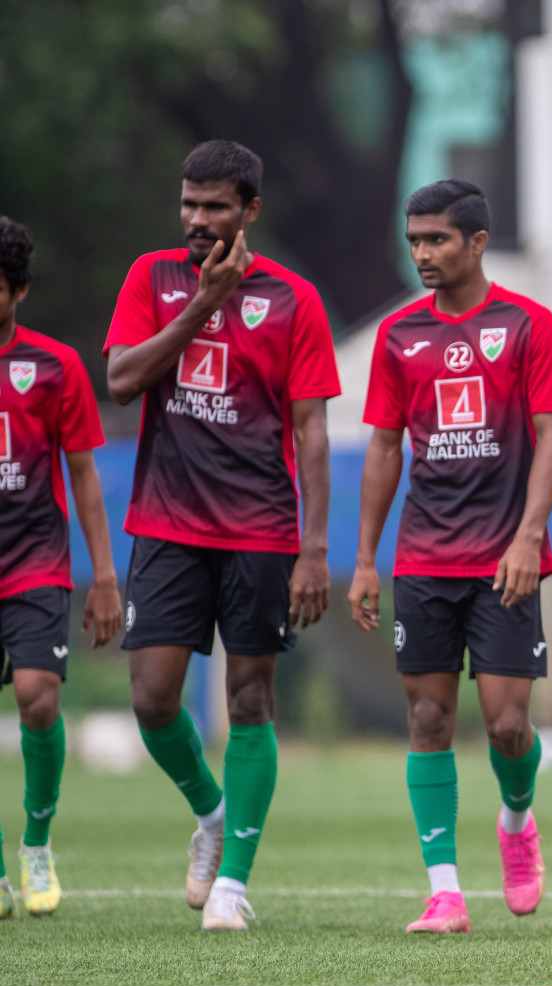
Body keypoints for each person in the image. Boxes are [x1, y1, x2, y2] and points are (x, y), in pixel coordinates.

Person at [103, 141, 339, 931]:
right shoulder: (153, 278)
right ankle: (209, 811)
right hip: (166, 522)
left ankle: (233, 882)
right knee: (151, 699)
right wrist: (203, 304)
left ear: (250, 211)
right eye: (189, 204)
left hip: (262, 531)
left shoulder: (296, 300)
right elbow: (124, 379)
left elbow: (310, 430)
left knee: (250, 698)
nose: (198, 220)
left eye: (215, 207)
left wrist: (315, 548)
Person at [348, 179, 552, 934]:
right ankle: (444, 891)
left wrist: (528, 537)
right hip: (423, 557)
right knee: (427, 716)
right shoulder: (398, 335)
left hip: (504, 560)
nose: (423, 254)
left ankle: (516, 820)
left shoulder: (528, 325)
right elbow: (382, 447)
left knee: (508, 726)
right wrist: (364, 560)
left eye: (437, 240)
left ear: (476, 243)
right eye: (414, 241)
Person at [0, 216, 123, 918]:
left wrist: (104, 576)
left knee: (37, 696)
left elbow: (83, 474)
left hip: (33, 561)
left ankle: (37, 843)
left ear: (17, 291)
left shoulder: (54, 367)